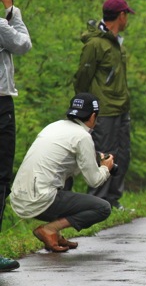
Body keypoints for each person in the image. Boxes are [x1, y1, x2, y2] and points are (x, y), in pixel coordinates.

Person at [10, 93, 113, 252]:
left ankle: (55, 234)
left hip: (18, 197)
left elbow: (64, 164)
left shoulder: (54, 126)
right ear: (93, 116)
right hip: (41, 199)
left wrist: (92, 157)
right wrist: (106, 167)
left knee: (66, 179)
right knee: (103, 208)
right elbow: (94, 180)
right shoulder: (82, 136)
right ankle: (50, 229)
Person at [73, 0, 134, 211]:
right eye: (127, 15)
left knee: (123, 155)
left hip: (122, 108)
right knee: (103, 155)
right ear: (121, 16)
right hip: (104, 110)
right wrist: (86, 110)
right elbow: (82, 76)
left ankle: (114, 201)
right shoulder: (96, 43)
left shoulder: (116, 42)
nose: (127, 20)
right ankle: (97, 202)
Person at [0, 0, 32, 245]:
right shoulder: (0, 26)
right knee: (1, 174)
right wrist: (11, 9)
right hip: (1, 104)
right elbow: (23, 44)